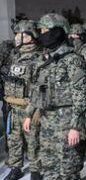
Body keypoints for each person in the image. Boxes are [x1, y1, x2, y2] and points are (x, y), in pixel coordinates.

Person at [24, 13, 86, 179]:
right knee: (48, 166)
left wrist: (75, 126)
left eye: (46, 30)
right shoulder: (44, 61)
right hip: (47, 121)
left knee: (68, 169)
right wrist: (28, 114)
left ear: (58, 32)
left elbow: (80, 94)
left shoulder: (72, 60)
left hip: (67, 122)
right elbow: (37, 90)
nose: (43, 34)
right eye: (41, 30)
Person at [3, 20, 42, 180]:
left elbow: (40, 88)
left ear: (33, 36)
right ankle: (16, 167)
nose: (19, 38)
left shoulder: (39, 58)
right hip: (13, 106)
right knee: (14, 140)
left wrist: (35, 110)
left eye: (24, 35)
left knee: (33, 141)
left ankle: (35, 170)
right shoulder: (15, 57)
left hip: (29, 108)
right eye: (18, 34)